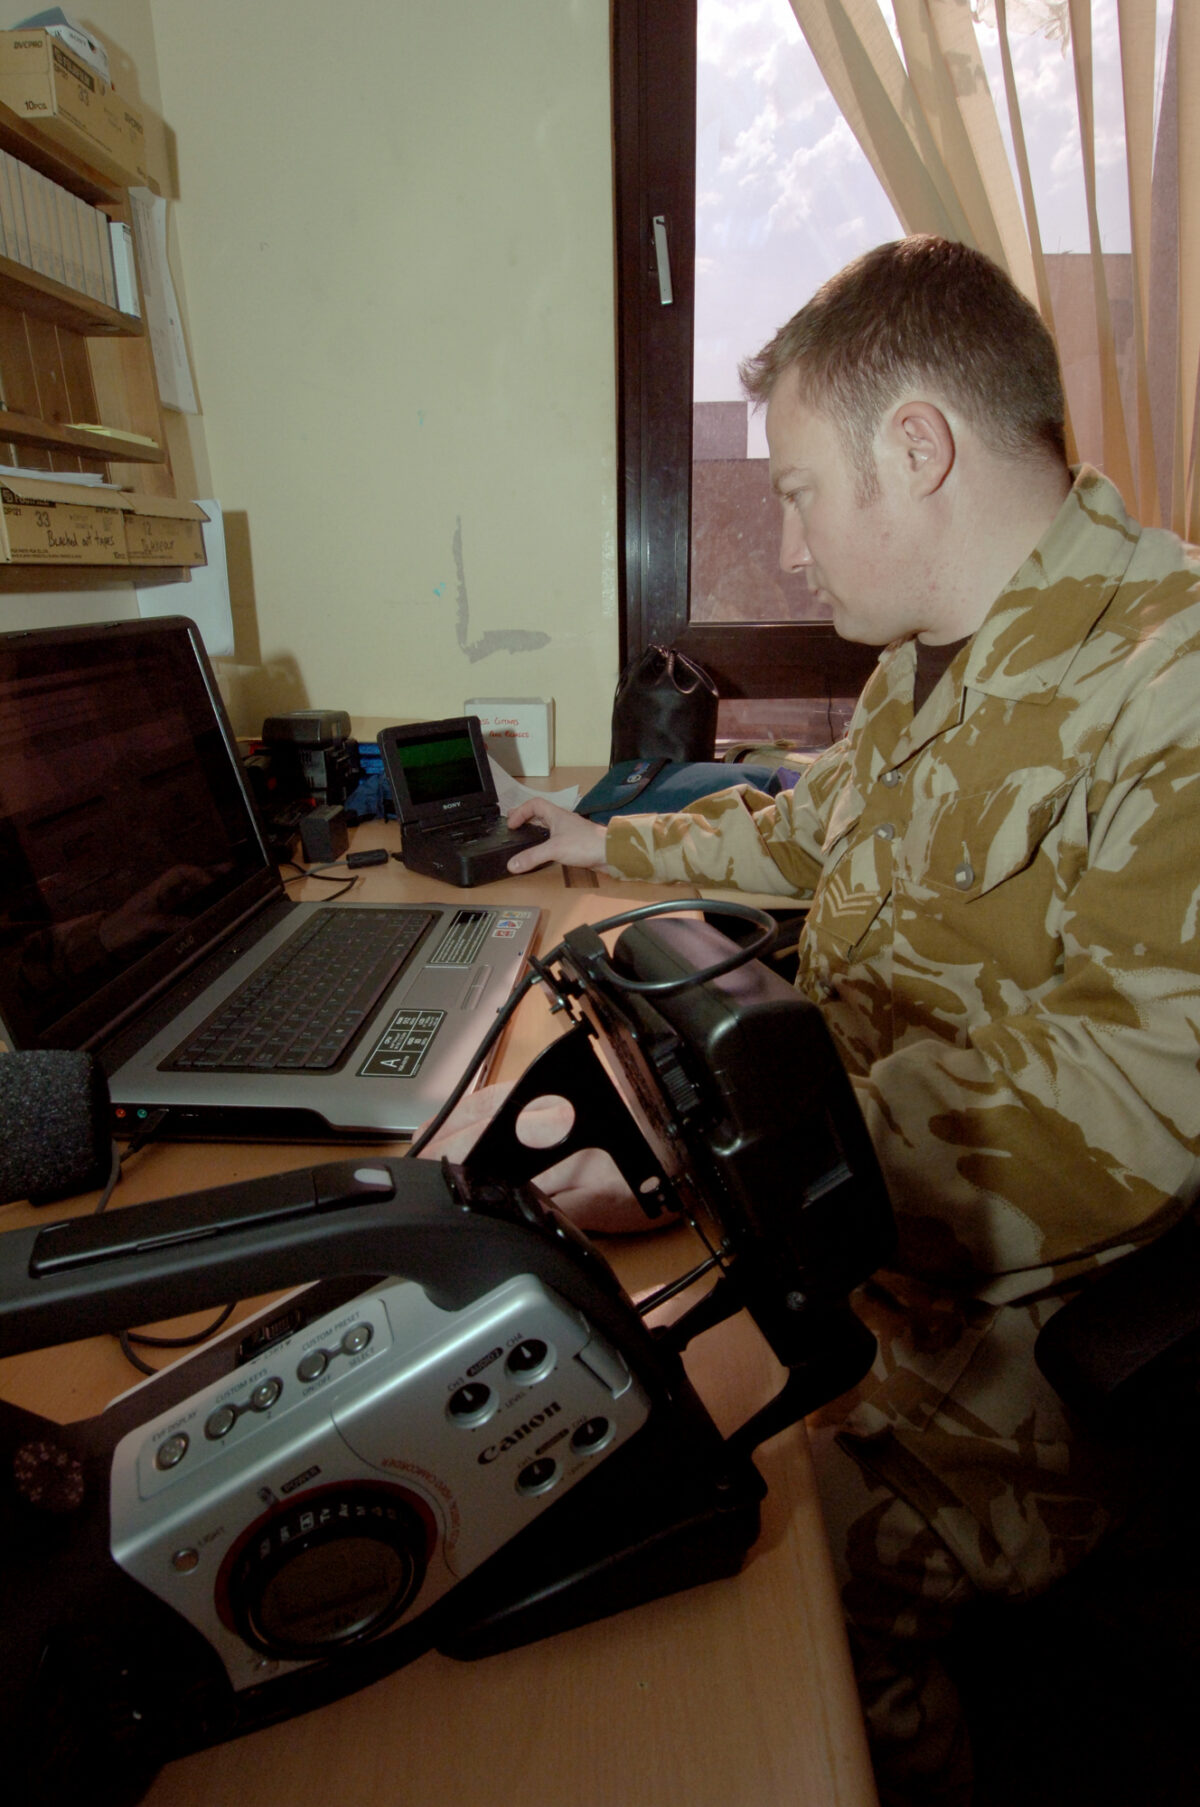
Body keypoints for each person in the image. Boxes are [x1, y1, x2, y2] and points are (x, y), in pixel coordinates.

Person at [429, 236, 1200, 1804]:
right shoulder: (937, 666)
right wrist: (602, 842)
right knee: (533, 1424)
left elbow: (1134, 1101)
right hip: (849, 1255)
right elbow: (814, 824)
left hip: (996, 1371)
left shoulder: (1170, 682)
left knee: (686, 1626)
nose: (784, 544)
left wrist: (717, 1160)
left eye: (797, 488)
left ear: (918, 448)